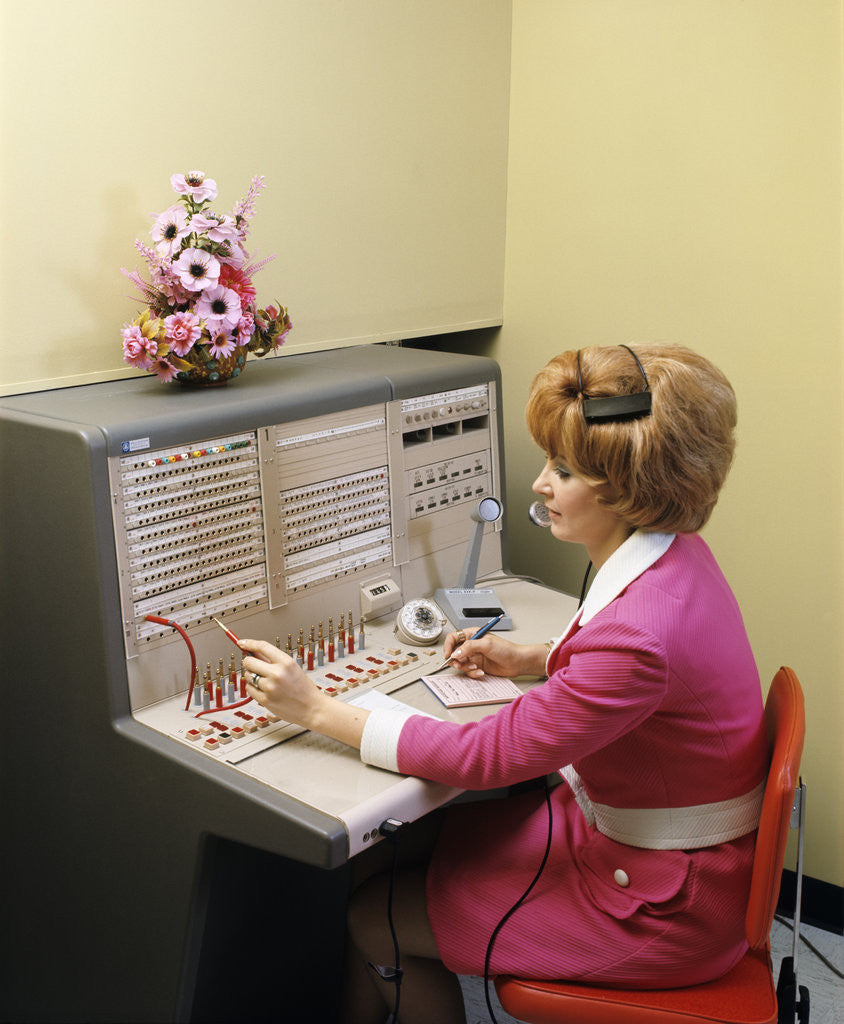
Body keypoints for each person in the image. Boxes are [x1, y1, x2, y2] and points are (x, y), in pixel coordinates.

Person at [239, 344, 768, 1024]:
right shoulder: (678, 558)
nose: (541, 484)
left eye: (566, 470)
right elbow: (652, 674)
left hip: (662, 905)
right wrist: (529, 657)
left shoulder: (637, 636)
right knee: (375, 866)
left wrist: (315, 708)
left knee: (377, 919)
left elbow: (485, 759)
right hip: (663, 850)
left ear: (629, 487)